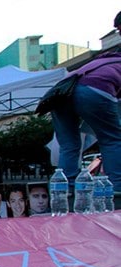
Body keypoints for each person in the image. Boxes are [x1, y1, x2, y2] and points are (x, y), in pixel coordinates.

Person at [50, 48, 121, 193]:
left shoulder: (100, 61)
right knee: (112, 139)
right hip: (93, 89)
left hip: (58, 93)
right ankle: (117, 188)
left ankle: (65, 191)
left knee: (68, 145)